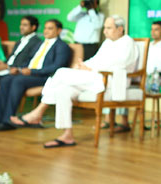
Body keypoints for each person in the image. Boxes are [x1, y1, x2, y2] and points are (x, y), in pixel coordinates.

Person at [15, 16, 140, 148]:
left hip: (111, 80)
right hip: (95, 77)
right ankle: (67, 135)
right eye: (104, 28)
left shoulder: (128, 42)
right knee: (63, 90)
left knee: (61, 73)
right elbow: (95, 60)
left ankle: (38, 112)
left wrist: (91, 68)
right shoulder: (107, 42)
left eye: (109, 28)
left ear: (120, 29)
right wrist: (82, 65)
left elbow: (120, 64)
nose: (105, 31)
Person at [0, 19, 73, 131]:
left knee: (17, 81)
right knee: (6, 79)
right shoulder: (40, 44)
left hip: (45, 77)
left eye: (50, 28)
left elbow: (56, 67)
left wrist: (32, 71)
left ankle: (7, 121)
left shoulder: (62, 46)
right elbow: (29, 60)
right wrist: (19, 69)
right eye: (45, 28)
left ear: (59, 31)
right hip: (29, 74)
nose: (46, 31)